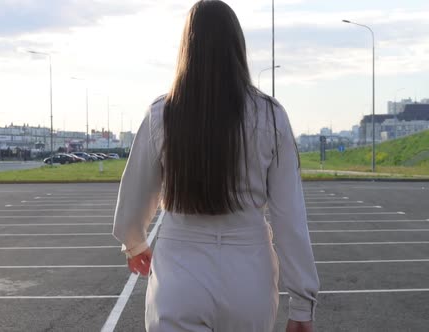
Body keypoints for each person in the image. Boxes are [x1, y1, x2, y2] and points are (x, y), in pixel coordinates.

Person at [112, 1, 319, 331]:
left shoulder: (161, 114)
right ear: (238, 47)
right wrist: (303, 302)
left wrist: (134, 242)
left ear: (186, 48)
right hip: (248, 276)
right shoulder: (270, 115)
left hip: (179, 273)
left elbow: (133, 196)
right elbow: (290, 217)